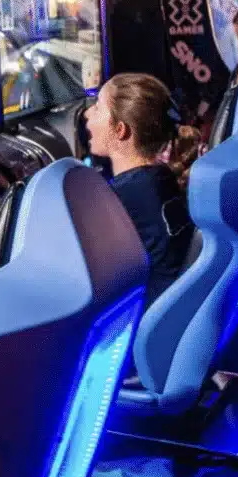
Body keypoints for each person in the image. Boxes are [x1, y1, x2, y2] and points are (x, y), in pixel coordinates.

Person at [83, 73, 199, 308]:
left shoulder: (119, 199)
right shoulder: (161, 177)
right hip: (173, 310)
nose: (86, 113)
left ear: (120, 130)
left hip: (144, 319)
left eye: (97, 107)